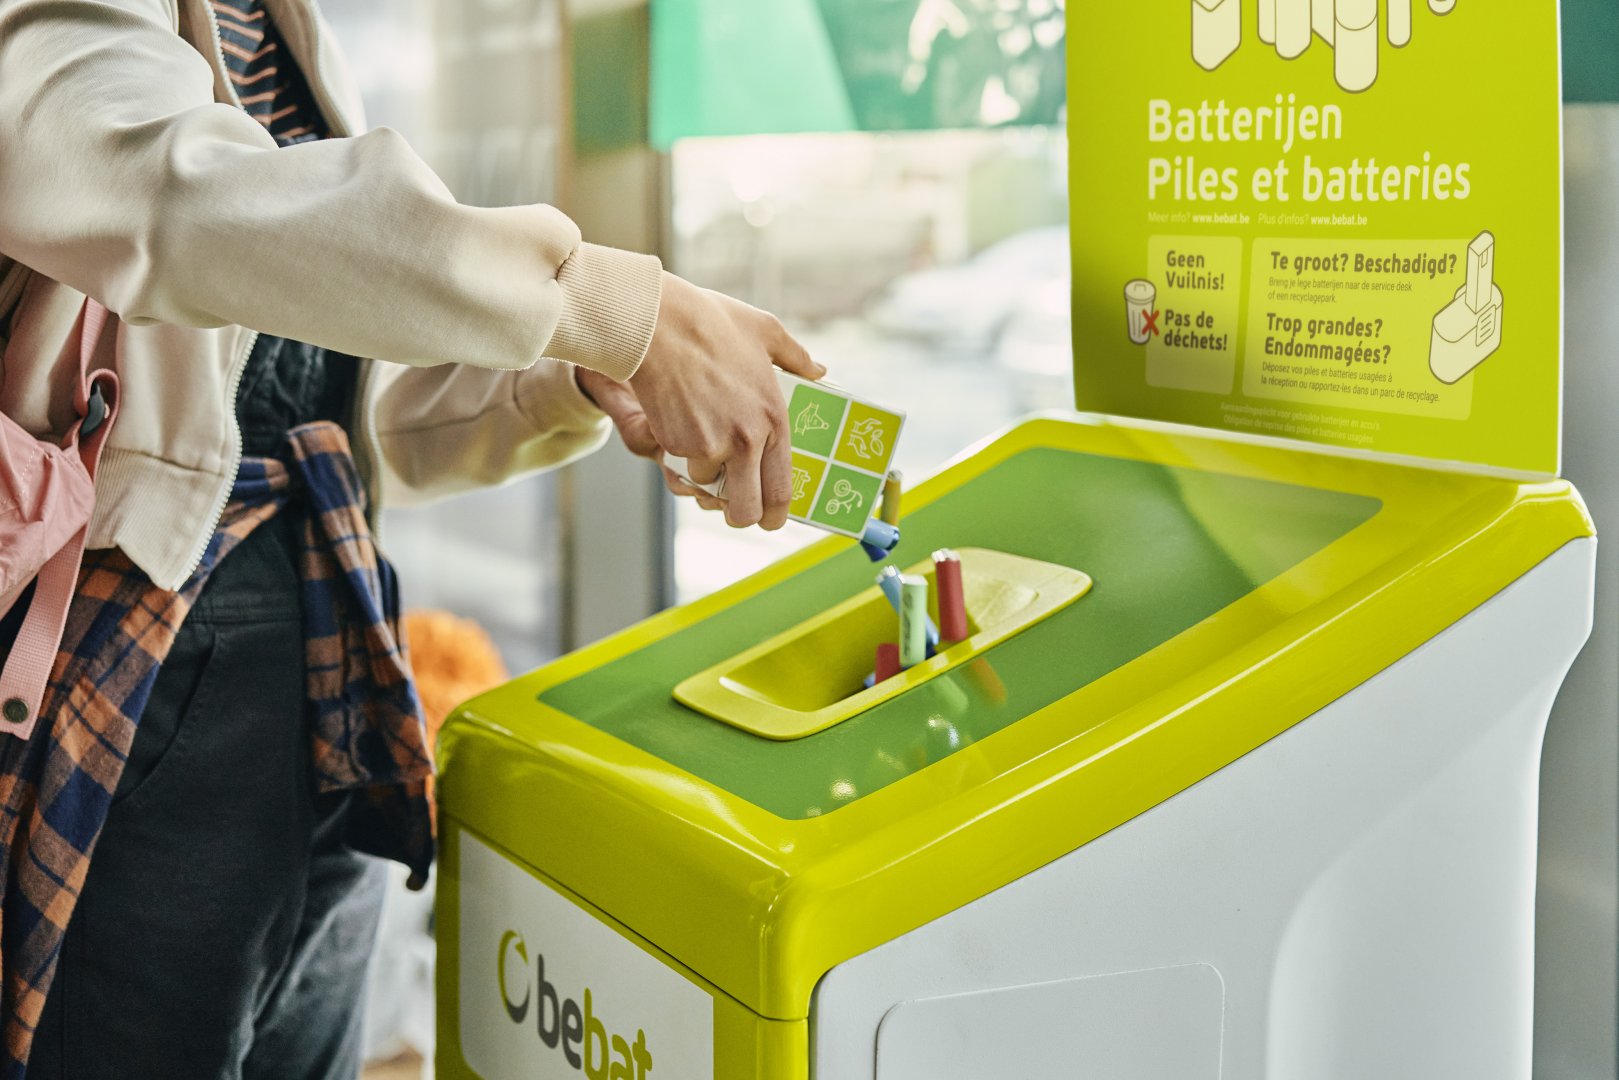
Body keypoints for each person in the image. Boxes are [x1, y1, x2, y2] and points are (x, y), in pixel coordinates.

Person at [0, 0, 817, 1075]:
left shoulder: (279, 23)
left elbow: (342, 398)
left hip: (328, 634)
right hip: (146, 645)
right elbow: (173, 201)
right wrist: (615, 307)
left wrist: (580, 372)